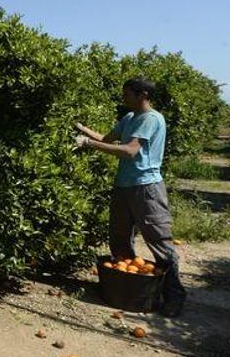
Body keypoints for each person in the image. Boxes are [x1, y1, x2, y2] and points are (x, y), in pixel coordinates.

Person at [74, 77, 186, 317]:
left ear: (142, 94)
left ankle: (174, 296)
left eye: (127, 93)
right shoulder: (129, 117)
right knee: (119, 238)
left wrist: (88, 144)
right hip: (124, 186)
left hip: (146, 188)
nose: (123, 97)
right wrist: (84, 131)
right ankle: (127, 289)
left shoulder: (151, 119)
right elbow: (107, 139)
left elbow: (130, 151)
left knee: (159, 241)